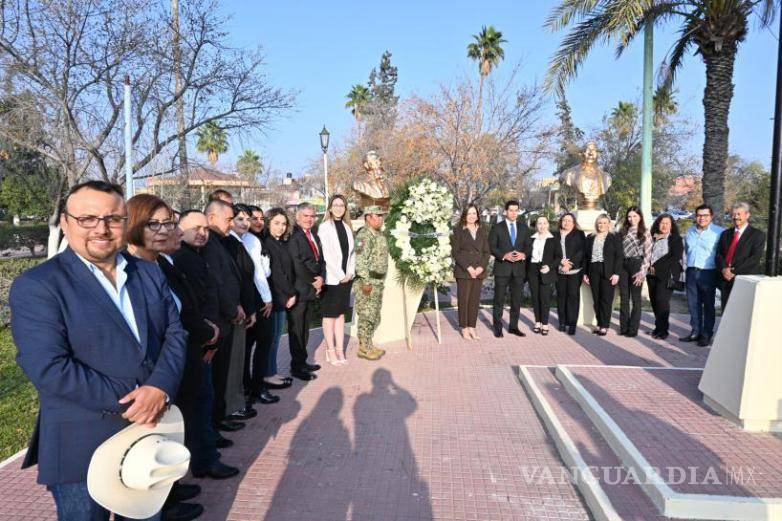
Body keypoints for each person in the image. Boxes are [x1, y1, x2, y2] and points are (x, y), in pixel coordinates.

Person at [10, 181, 187, 521]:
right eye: (87, 218)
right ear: (66, 223)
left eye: (113, 219)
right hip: (81, 442)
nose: (102, 229)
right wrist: (139, 397)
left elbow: (176, 333)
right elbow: (49, 366)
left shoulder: (148, 272)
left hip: (147, 437)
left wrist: (160, 388)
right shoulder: (39, 285)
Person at [125, 195, 212, 521]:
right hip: (145, 380)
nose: (164, 230)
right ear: (134, 224)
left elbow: (175, 323)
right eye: (154, 223)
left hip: (172, 369)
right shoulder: (128, 268)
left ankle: (169, 494)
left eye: (169, 223)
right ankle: (166, 502)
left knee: (170, 435)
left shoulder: (156, 264)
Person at [172, 210, 240, 479]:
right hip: (198, 342)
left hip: (208, 338)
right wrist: (207, 337)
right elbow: (191, 306)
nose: (202, 233)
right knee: (198, 403)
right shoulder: (182, 259)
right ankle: (204, 460)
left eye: (205, 229)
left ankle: (206, 454)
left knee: (205, 399)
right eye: (195, 228)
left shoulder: (196, 255)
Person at [202, 200, 246, 433]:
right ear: (211, 218)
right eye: (228, 219)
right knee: (217, 376)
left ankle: (220, 418)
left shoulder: (220, 243)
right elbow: (216, 284)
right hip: (219, 319)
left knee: (223, 374)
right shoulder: (209, 244)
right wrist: (232, 308)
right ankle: (215, 425)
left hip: (228, 315)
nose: (231, 224)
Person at [232, 204, 281, 405]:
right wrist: (267, 299)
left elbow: (263, 272)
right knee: (252, 346)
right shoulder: (242, 241)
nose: (253, 223)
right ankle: (253, 388)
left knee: (262, 344)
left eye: (259, 219)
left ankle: (255, 387)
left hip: (256, 300)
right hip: (254, 301)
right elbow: (258, 274)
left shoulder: (253, 240)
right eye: (245, 219)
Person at [222, 204, 265, 414]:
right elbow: (234, 282)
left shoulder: (241, 243)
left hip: (246, 309)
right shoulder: (229, 244)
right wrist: (246, 309)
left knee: (241, 358)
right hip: (236, 312)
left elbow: (251, 277)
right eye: (240, 219)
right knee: (236, 361)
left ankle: (239, 399)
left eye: (247, 219)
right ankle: (233, 405)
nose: (246, 223)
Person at [286, 203, 325, 380]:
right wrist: (313, 281)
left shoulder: (313, 234)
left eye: (312, 216)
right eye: (306, 216)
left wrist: (321, 278)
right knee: (297, 330)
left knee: (305, 329)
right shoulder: (294, 237)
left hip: (311, 289)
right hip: (300, 290)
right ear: (297, 217)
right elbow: (297, 264)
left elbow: (321, 260)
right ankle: (297, 367)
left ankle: (303, 361)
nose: (310, 219)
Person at [262, 208, 298, 385]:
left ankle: (272, 371)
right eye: (276, 223)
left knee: (275, 337)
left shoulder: (280, 242)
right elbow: (277, 274)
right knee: (272, 338)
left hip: (281, 298)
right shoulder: (267, 243)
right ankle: (268, 374)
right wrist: (290, 294)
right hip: (276, 297)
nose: (281, 227)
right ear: (268, 223)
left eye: (283, 224)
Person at [319, 195, 356, 364]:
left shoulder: (348, 228)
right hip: (333, 279)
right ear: (330, 208)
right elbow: (326, 255)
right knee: (330, 315)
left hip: (346, 279)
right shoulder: (325, 227)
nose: (339, 208)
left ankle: (340, 350)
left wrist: (349, 273)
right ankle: (330, 350)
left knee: (341, 315)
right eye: (336, 205)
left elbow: (352, 253)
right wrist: (341, 275)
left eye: (342, 205)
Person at [681, 204, 724, 346]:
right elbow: (687, 251)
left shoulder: (719, 232)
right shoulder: (690, 232)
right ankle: (695, 332)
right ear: (695, 216)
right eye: (699, 215)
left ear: (711, 216)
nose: (702, 218)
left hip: (708, 273)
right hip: (692, 271)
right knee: (693, 304)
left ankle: (706, 334)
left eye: (705, 215)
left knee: (708, 305)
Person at [488, 200, 529, 338]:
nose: (513, 213)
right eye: (510, 210)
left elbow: (529, 247)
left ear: (518, 211)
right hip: (502, 269)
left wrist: (523, 254)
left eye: (516, 210)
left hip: (518, 270)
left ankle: (513, 327)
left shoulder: (524, 228)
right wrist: (503, 255)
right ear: (505, 211)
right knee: (499, 300)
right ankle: (497, 327)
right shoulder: (497, 227)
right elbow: (492, 246)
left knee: (516, 300)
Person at [353, 205, 389, 360]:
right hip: (368, 282)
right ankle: (363, 348)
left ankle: (368, 344)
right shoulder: (364, 235)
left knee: (374, 316)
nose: (381, 218)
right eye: (377, 215)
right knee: (366, 316)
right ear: (368, 217)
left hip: (378, 282)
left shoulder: (379, 234)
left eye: (382, 216)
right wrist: (366, 282)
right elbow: (360, 260)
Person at [716, 201, 766, 310]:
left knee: (742, 313)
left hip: (744, 280)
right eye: (733, 214)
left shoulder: (757, 235)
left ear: (747, 215)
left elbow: (755, 258)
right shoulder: (725, 234)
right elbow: (719, 254)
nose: (736, 217)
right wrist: (724, 269)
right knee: (726, 312)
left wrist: (733, 271)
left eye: (739, 214)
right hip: (726, 280)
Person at [451, 204, 490, 340]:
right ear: (464, 215)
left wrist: (481, 267)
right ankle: (464, 328)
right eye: (469, 213)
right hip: (464, 271)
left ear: (478, 215)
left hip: (479, 271)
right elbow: (455, 252)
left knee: (474, 301)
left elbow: (486, 252)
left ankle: (472, 327)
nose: (472, 216)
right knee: (464, 300)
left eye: (474, 213)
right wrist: (468, 267)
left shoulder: (482, 230)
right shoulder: (458, 230)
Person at [646, 214, 684, 340]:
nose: (664, 225)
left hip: (666, 275)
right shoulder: (652, 238)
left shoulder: (675, 239)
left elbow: (675, 257)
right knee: (654, 301)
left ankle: (663, 330)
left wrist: (656, 266)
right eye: (662, 222)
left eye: (667, 223)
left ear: (671, 225)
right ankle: (658, 327)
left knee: (662, 302)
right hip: (651, 275)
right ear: (657, 224)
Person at [585, 214, 623, 336]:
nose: (602, 225)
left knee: (606, 300)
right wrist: (585, 273)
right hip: (593, 270)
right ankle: (599, 323)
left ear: (609, 224)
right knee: (596, 300)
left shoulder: (614, 237)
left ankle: (605, 325)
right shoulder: (590, 237)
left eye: (604, 223)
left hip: (608, 271)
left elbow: (619, 256)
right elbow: (586, 257)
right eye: (599, 223)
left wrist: (617, 273)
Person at [525, 215, 562, 335]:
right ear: (536, 226)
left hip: (546, 270)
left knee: (544, 299)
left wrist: (549, 267)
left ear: (548, 225)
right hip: (533, 269)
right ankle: (537, 322)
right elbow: (527, 256)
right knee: (535, 298)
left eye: (544, 223)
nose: (542, 226)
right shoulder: (531, 238)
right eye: (539, 223)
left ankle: (545, 323)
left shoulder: (554, 238)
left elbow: (558, 257)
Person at [618, 206, 651, 337]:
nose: (632, 219)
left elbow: (648, 254)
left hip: (637, 265)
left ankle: (633, 328)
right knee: (624, 298)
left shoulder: (645, 232)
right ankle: (624, 327)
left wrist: (643, 272)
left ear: (640, 217)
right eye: (629, 216)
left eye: (635, 216)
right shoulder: (622, 231)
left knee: (636, 299)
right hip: (622, 265)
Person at [554, 213, 586, 335]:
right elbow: (551, 251)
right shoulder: (555, 235)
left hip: (574, 271)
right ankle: (562, 322)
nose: (566, 223)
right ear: (561, 222)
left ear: (573, 223)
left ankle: (572, 324)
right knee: (561, 296)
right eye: (564, 220)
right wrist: (561, 262)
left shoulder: (579, 234)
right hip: (559, 271)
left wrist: (570, 264)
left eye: (569, 220)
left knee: (573, 297)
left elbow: (581, 251)